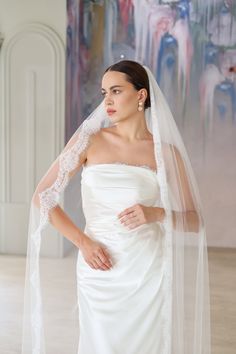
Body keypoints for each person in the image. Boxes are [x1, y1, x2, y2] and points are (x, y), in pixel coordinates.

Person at [21, 60, 211, 354]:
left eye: (116, 91)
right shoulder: (89, 141)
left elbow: (194, 221)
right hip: (98, 266)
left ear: (141, 95)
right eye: (104, 93)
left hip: (147, 270)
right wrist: (83, 243)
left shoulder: (165, 152)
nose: (107, 101)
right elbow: (42, 197)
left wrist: (157, 213)